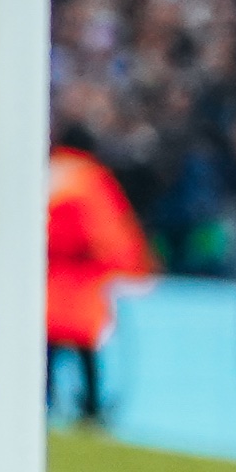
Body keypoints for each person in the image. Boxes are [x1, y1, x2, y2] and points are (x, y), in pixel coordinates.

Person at [45, 121, 154, 423]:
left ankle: (44, 399)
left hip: (49, 279)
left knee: (48, 345)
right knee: (85, 346)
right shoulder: (91, 179)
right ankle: (90, 407)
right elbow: (112, 234)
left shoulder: (47, 173)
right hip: (81, 282)